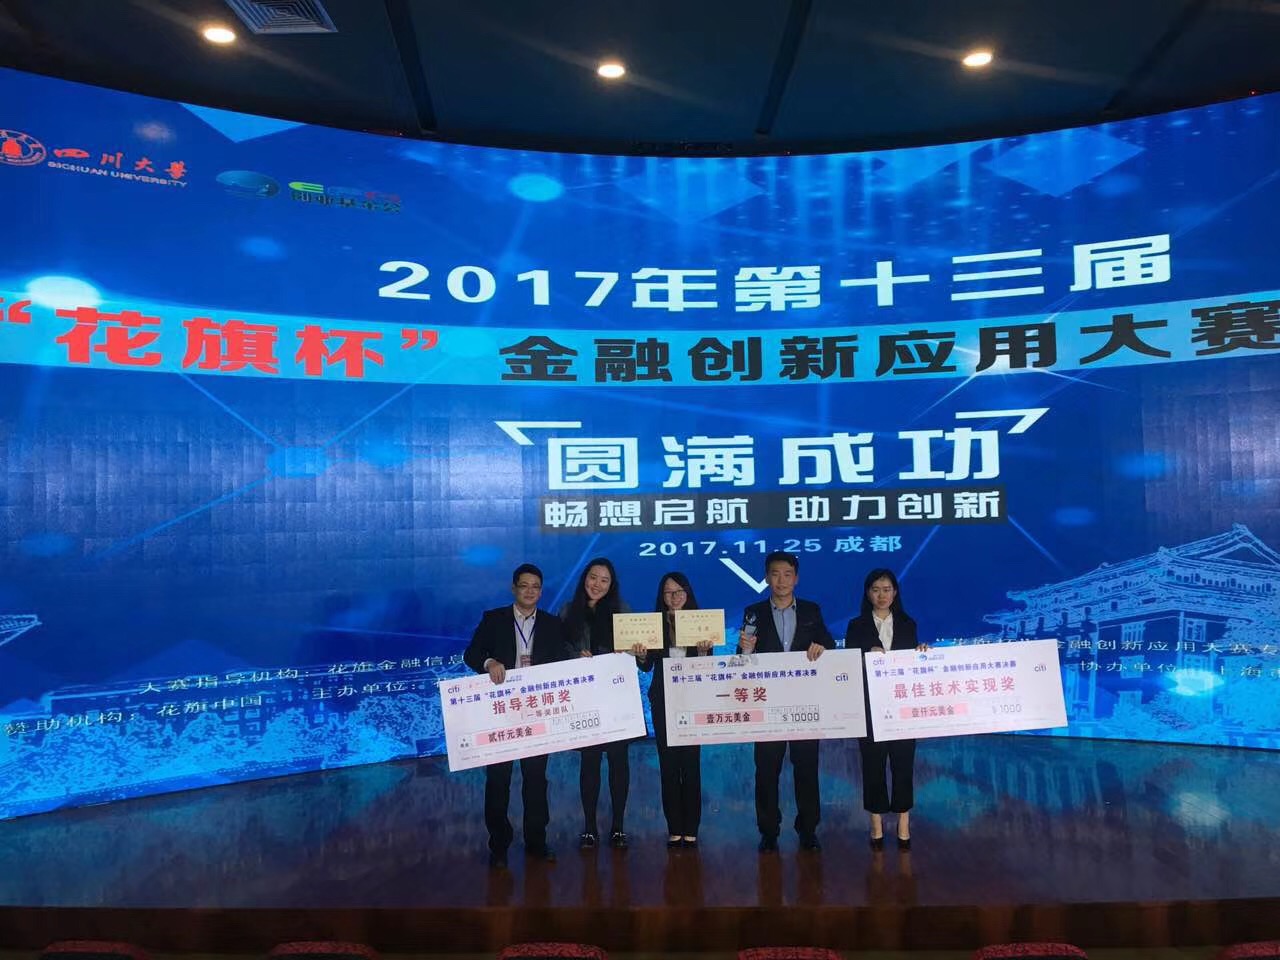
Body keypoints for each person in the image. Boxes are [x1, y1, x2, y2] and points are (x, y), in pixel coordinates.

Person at [463, 562, 573, 868]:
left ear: (541, 591)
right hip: (501, 712)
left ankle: (536, 840)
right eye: (524, 585)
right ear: (514, 588)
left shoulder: (551, 624)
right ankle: (499, 844)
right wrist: (489, 663)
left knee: (536, 779)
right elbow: (471, 654)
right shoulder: (493, 619)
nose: (529, 591)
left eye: (535, 587)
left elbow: (562, 661)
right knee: (498, 780)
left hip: (537, 711)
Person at [736, 550, 835, 853]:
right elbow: (742, 661)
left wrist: (821, 647)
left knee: (806, 769)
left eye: (787, 574)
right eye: (775, 574)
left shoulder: (811, 611)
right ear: (767, 577)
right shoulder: (753, 612)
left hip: (804, 705)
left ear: (796, 578)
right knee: (766, 771)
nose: (781, 580)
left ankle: (808, 829)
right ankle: (768, 831)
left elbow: (829, 645)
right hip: (767, 706)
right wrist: (745, 649)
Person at [844, 567, 928, 850]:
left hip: (902, 705)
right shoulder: (856, 626)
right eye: (876, 589)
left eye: (887, 589)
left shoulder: (907, 623)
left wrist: (922, 654)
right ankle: (876, 822)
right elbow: (848, 664)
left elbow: (913, 663)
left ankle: (904, 820)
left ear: (895, 593)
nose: (881, 595)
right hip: (870, 706)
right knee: (873, 763)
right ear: (868, 593)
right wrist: (865, 655)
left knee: (903, 762)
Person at [561, 557, 637, 849]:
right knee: (590, 763)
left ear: (611, 585)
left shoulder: (622, 611)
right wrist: (574, 657)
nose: (597, 584)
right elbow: (558, 649)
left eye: (604, 580)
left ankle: (618, 827)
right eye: (593, 577)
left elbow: (637, 655)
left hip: (617, 697)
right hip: (585, 698)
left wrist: (635, 651)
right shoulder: (568, 610)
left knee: (619, 763)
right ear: (585, 578)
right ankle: (590, 827)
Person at [637, 571, 715, 848]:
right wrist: (641, 655)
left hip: (692, 700)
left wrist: (704, 652)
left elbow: (707, 666)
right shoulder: (653, 624)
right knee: (668, 766)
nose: (674, 596)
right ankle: (674, 828)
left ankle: (691, 828)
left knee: (691, 765)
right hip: (663, 700)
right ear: (662, 596)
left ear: (687, 593)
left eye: (679, 591)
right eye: (668, 592)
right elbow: (647, 666)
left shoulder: (700, 622)